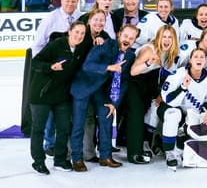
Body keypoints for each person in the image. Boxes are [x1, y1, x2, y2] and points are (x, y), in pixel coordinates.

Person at [69, 24, 139, 172]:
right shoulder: (106, 45)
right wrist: (109, 67)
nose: (127, 40)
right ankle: (77, 159)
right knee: (78, 124)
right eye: (126, 36)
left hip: (100, 90)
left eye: (131, 38)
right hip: (84, 87)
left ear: (134, 41)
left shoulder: (130, 55)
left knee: (106, 116)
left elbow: (124, 81)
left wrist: (114, 103)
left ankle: (105, 156)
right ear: (119, 34)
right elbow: (88, 65)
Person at [28, 21, 87, 175]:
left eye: (82, 33)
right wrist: (51, 67)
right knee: (38, 129)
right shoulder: (56, 45)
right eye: (77, 32)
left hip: (61, 95)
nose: (79, 36)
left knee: (64, 128)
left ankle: (60, 160)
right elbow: (35, 62)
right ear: (69, 31)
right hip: (42, 93)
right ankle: (38, 162)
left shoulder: (81, 49)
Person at [158, 48, 207, 169]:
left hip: (190, 113)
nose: (199, 59)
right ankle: (169, 152)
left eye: (202, 57)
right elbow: (169, 100)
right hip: (170, 107)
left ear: (205, 61)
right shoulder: (178, 74)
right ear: (190, 60)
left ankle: (180, 143)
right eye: (196, 56)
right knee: (173, 114)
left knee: (201, 119)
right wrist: (183, 87)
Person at [128, 25, 180, 163]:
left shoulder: (169, 52)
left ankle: (145, 145)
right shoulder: (149, 50)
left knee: (148, 111)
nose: (167, 40)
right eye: (164, 36)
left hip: (148, 82)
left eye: (170, 37)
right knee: (136, 116)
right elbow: (133, 71)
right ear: (158, 38)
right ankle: (134, 154)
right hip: (133, 81)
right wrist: (148, 62)